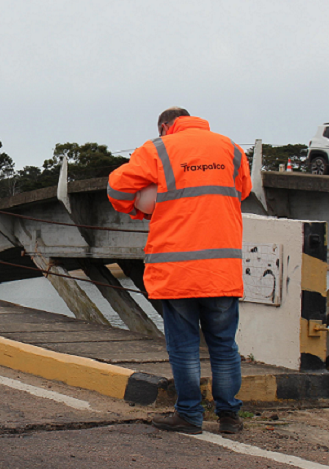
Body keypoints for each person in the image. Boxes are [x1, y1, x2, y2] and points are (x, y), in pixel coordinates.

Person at [107, 107, 252, 434]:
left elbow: (117, 189)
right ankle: (229, 417)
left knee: (185, 347)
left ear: (164, 126)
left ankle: (189, 415)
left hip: (177, 270)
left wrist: (141, 209)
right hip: (221, 268)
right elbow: (242, 190)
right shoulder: (230, 148)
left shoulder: (157, 149)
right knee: (224, 346)